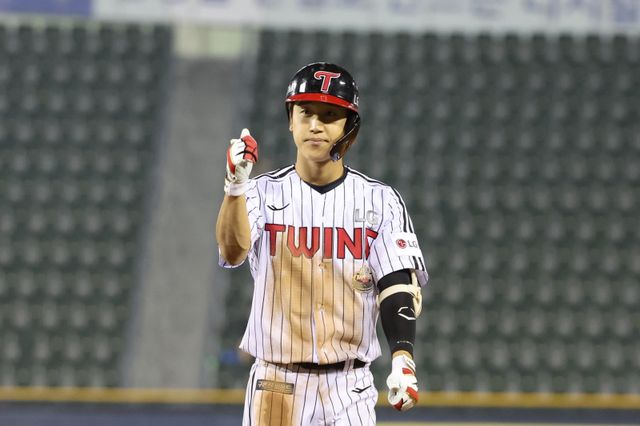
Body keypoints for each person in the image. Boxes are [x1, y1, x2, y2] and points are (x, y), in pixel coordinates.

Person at [216, 62, 428, 425]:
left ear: (349, 128)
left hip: (350, 386)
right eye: (306, 113)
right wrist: (235, 187)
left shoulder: (380, 201)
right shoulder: (260, 193)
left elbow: (395, 284)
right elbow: (231, 252)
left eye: (329, 116)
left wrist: (402, 357)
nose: (315, 125)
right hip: (276, 384)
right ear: (291, 120)